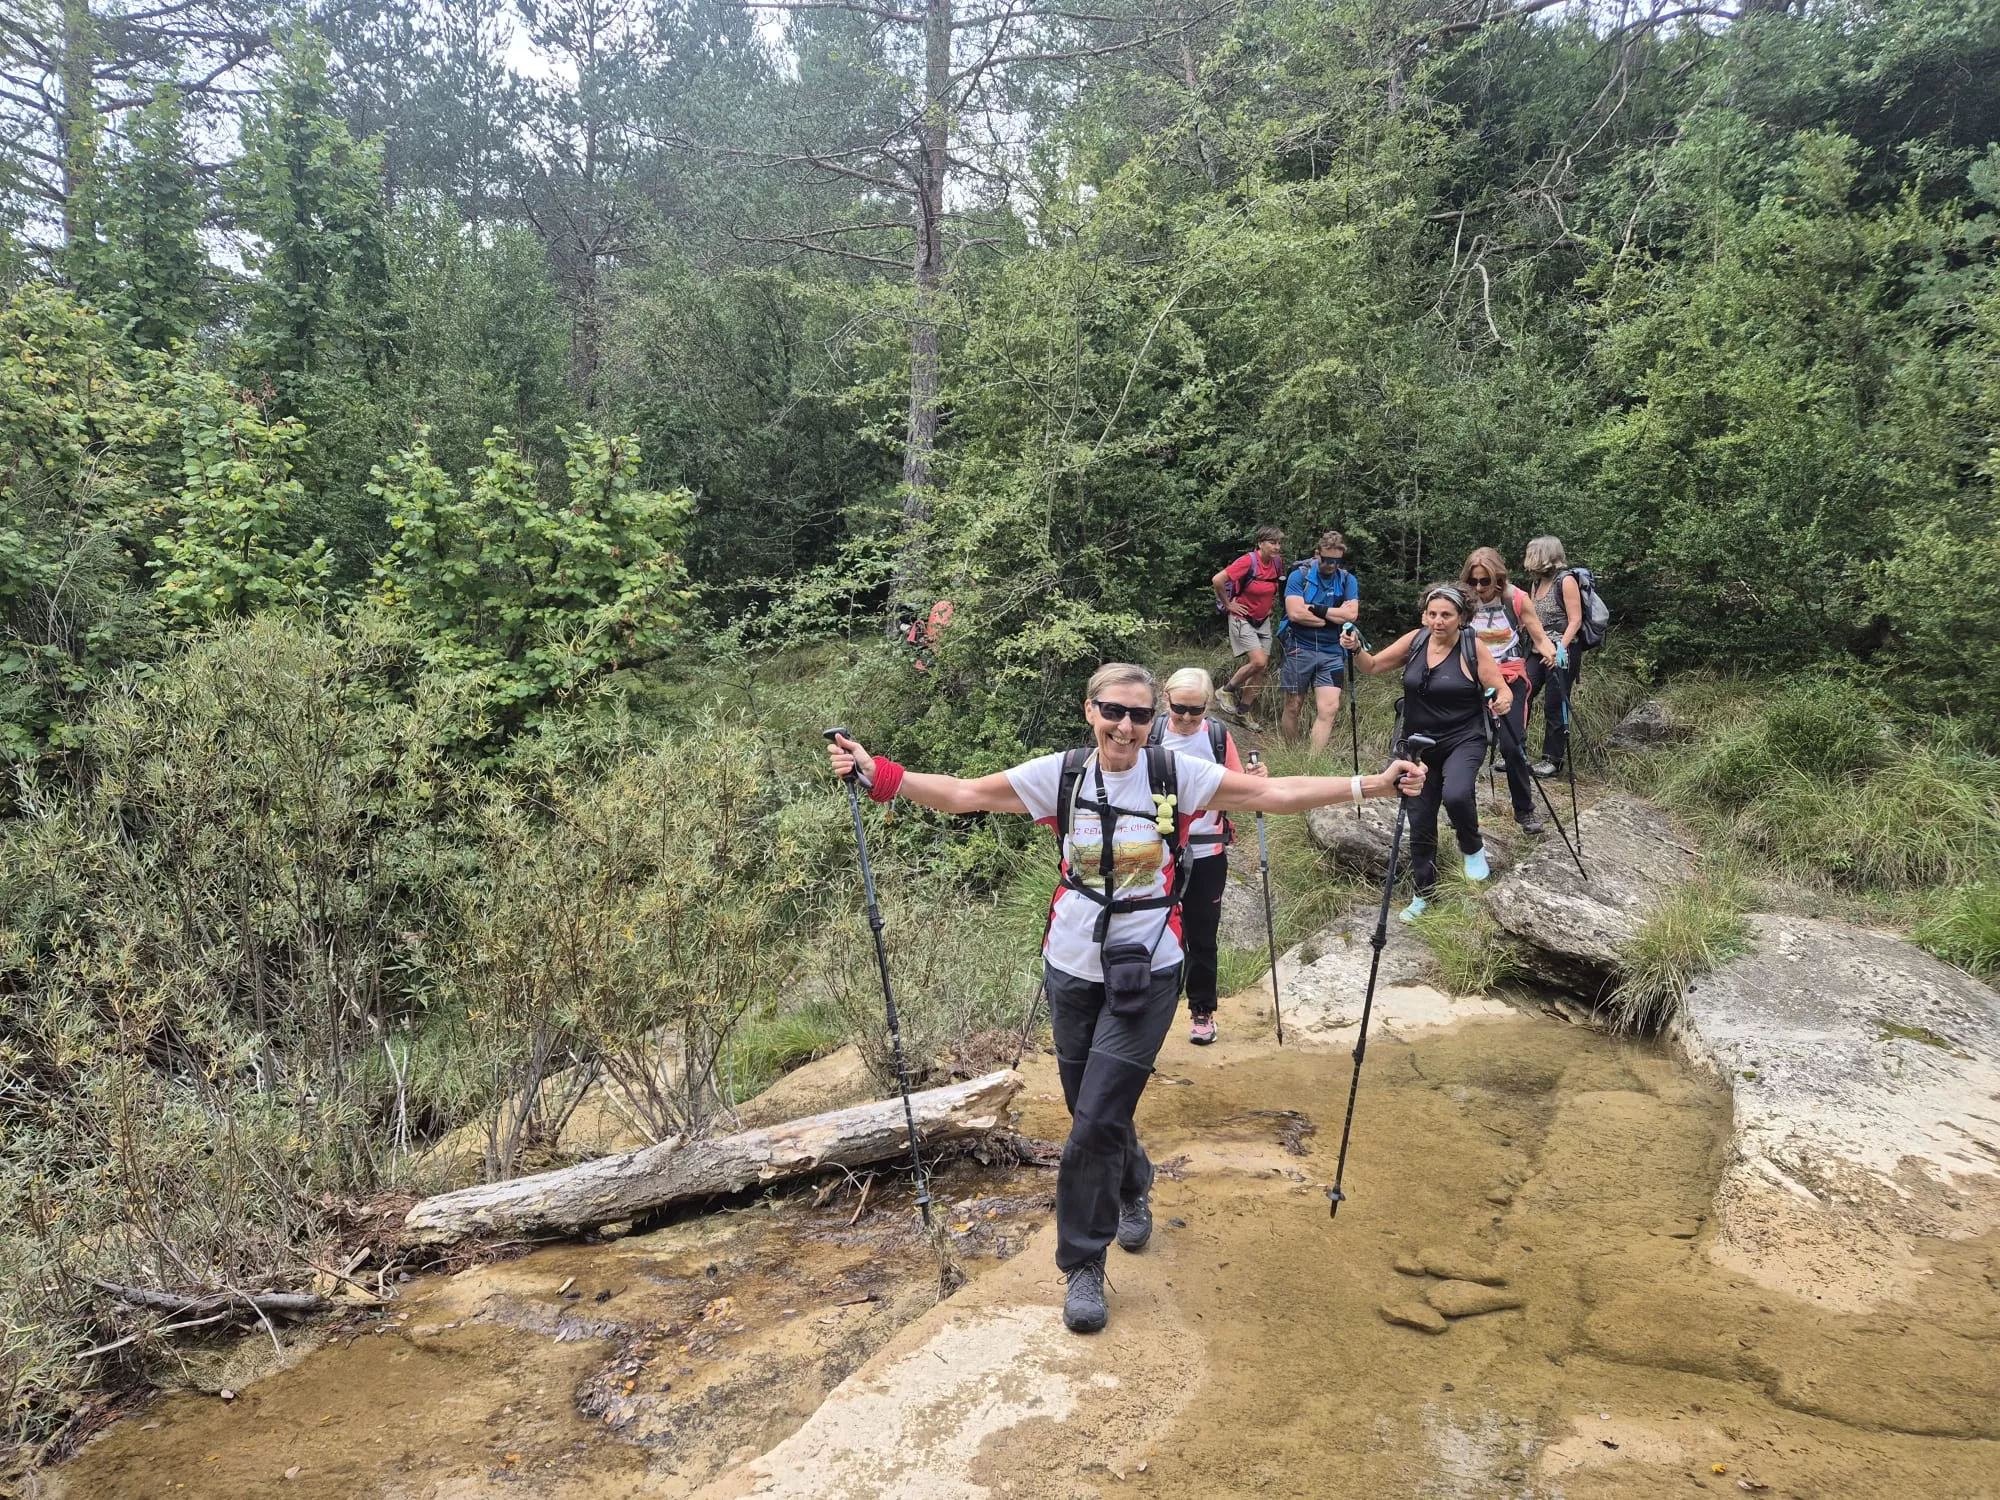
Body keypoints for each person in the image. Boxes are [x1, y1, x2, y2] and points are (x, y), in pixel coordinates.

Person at [827, 665, 1424, 1336]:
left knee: (1093, 1120)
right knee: (1095, 1111)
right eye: (1114, 711)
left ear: (1155, 720)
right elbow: (965, 794)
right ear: (1091, 710)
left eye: (1141, 716)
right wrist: (879, 773)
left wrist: (1370, 784)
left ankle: (1084, 1262)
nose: (1126, 726)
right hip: (1072, 969)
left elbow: (1274, 792)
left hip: (1150, 970)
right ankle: (1134, 1181)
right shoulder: (1064, 774)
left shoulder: (1175, 774)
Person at [1342, 584, 1512, 924]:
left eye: (1446, 615)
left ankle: (1472, 848)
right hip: (1417, 742)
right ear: (1424, 615)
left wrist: (1501, 699)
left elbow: (1503, 690)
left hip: (1464, 738)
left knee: (1457, 793)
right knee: (1419, 818)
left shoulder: (1472, 647)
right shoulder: (1415, 640)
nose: (1438, 621)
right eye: (1432, 614)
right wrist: (1356, 647)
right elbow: (1371, 666)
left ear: (1462, 618)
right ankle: (1424, 893)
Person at [1150, 668, 1266, 1047]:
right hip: (1154, 852)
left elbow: (1242, 788)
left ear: (1207, 707)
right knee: (1149, 933)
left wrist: (1255, 778)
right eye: (1179, 708)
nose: (1185, 718)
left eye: (1195, 711)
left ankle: (1202, 1011)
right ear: (1165, 699)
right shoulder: (1147, 733)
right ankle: (1145, 1016)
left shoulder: (1217, 736)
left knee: (1201, 935)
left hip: (1206, 850)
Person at [1460, 547, 1556, 837]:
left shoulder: (1516, 598)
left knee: (1512, 746)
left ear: (1498, 578)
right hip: (1471, 677)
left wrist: (1552, 653)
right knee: (1467, 744)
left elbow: (1539, 636)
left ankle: (1524, 810)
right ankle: (1462, 808)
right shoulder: (1463, 600)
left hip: (1510, 676)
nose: (1479, 588)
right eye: (1473, 581)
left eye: (1485, 581)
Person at [1277, 530, 1359, 755]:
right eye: (1327, 560)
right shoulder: (1299, 576)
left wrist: (1317, 609)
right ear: (1317, 555)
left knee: (1330, 708)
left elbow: (1351, 615)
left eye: (1337, 561)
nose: (1332, 565)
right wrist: (1331, 618)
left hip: (1333, 652)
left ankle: (1312, 762)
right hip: (1299, 647)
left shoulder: (1347, 579)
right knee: (1293, 705)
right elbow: (1295, 613)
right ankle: (1293, 755)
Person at [1523, 535, 1585, 778]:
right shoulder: (1536, 583)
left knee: (1554, 703)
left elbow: (1575, 620)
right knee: (1522, 693)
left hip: (1562, 650)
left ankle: (1552, 759)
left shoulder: (1566, 581)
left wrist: (1560, 648)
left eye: (1532, 553)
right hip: (1538, 649)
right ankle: (1516, 752)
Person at [1211, 528, 1286, 728]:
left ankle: (1242, 713)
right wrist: (1228, 604)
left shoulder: (1277, 562)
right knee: (1259, 661)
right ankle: (1225, 690)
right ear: (1260, 543)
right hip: (1241, 617)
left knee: (1260, 669)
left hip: (1263, 620)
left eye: (1279, 543)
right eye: (1272, 542)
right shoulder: (1248, 561)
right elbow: (1218, 579)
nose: (1277, 547)